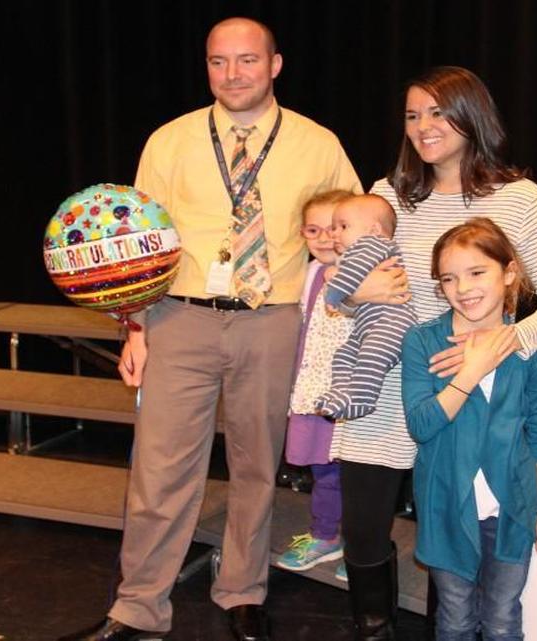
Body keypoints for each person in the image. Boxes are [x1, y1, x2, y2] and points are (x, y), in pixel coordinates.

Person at [59, 17, 361, 641]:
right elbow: (133, 246)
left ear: (275, 65)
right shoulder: (169, 141)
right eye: (219, 62)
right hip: (179, 319)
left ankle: (243, 591)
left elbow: (352, 230)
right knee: (159, 468)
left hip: (272, 323)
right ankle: (138, 604)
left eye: (247, 61)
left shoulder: (317, 143)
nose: (233, 74)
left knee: (256, 467)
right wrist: (134, 329)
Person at [331, 66, 537, 639]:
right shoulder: (386, 196)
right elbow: (343, 291)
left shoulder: (519, 199)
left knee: (464, 556)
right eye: (413, 115)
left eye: (438, 113)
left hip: (470, 399)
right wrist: (353, 294)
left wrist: (501, 345)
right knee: (365, 531)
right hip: (388, 387)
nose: (424, 127)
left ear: (473, 116)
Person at [402, 218, 537, 640]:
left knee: (504, 617)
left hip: (512, 509)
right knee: (454, 618)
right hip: (446, 507)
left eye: (477, 272)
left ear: (508, 273)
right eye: (449, 278)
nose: (463, 288)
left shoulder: (528, 350)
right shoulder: (422, 342)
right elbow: (421, 425)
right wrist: (470, 372)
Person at [275, 190, 354, 578]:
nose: (324, 238)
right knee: (324, 471)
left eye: (336, 228)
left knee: (357, 475)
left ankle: (360, 544)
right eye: (313, 229)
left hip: (352, 397)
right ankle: (325, 536)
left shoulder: (369, 272)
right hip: (313, 393)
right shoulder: (306, 273)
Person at [315, 194, 418, 420]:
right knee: (343, 355)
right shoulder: (360, 250)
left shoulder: (372, 244)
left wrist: (332, 296)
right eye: (334, 227)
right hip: (370, 325)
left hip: (392, 323)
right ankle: (342, 393)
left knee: (372, 355)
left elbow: (352, 275)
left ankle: (362, 399)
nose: (334, 233)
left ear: (374, 229)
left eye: (343, 226)